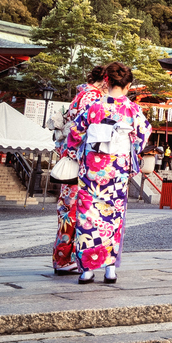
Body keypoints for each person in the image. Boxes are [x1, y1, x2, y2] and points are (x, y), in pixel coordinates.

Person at [57, 61, 150, 285]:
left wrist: (73, 152)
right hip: (117, 172)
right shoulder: (133, 109)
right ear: (128, 86)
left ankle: (87, 270)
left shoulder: (94, 107)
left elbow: (75, 134)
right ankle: (109, 270)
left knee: (87, 218)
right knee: (113, 218)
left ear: (106, 81)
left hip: (91, 171)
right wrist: (130, 152)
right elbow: (142, 136)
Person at [50, 65, 108, 276]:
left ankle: (62, 257)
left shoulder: (80, 95)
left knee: (67, 210)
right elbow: (87, 131)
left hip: (70, 157)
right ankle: (68, 259)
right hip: (80, 162)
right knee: (78, 212)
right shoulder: (93, 98)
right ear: (105, 81)